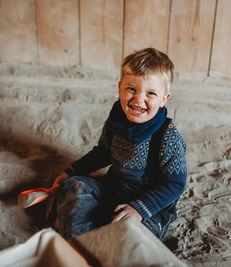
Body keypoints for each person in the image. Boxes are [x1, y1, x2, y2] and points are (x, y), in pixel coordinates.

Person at [52, 47, 187, 241]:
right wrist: (71, 171)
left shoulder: (168, 136)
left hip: (149, 206)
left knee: (134, 235)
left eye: (151, 93)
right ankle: (82, 242)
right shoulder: (116, 122)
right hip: (112, 190)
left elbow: (175, 184)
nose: (138, 99)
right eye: (131, 89)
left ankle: (111, 246)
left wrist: (139, 209)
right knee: (73, 187)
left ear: (164, 99)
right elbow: (102, 153)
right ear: (119, 88)